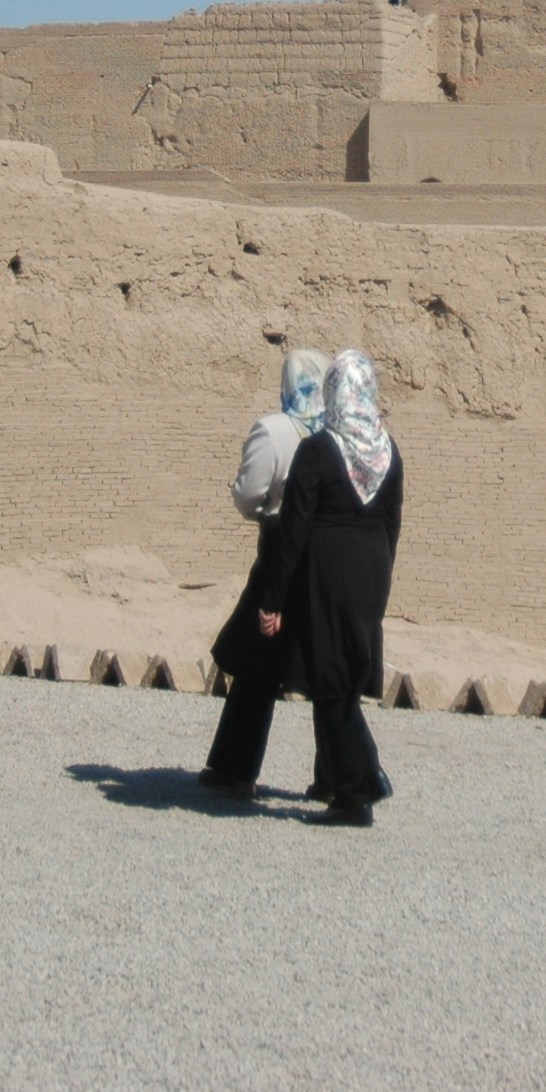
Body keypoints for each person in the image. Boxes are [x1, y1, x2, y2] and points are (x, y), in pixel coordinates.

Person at [260, 347, 404, 825]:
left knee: (332, 680)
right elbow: (392, 523)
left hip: (328, 572)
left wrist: (274, 598)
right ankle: (334, 781)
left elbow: (293, 529)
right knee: (342, 674)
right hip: (373, 571)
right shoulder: (388, 451)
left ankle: (359, 786)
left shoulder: (319, 449)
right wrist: (381, 581)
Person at [200, 348, 329, 797]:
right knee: (325, 668)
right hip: (326, 556)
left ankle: (234, 770)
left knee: (257, 663)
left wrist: (265, 515)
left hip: (279, 549)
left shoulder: (273, 430)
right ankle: (335, 779)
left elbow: (249, 494)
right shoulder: (337, 434)